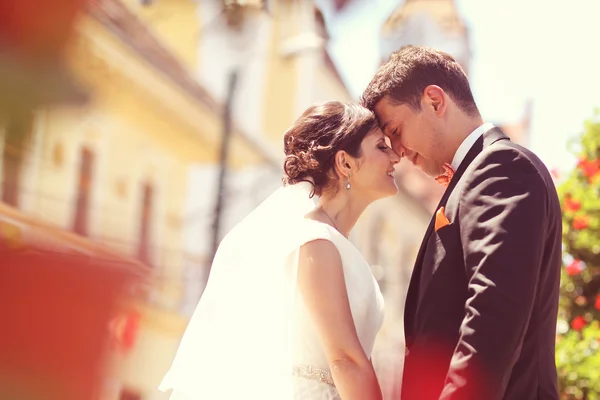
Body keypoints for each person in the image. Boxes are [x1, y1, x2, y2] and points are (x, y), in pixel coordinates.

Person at [159, 101, 400, 400]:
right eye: (381, 147)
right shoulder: (315, 241)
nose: (396, 155)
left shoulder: (334, 244)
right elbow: (346, 361)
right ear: (345, 163)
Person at [361, 45, 562, 400]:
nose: (397, 151)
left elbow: (491, 319)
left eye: (395, 130)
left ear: (435, 101)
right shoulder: (480, 174)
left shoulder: (500, 168)